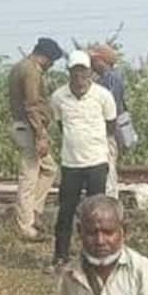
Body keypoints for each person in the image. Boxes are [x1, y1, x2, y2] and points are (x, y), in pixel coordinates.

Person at [49, 50, 119, 268]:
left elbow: (111, 124)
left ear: (90, 72)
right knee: (66, 212)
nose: (79, 77)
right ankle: (61, 256)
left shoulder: (103, 96)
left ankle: (95, 258)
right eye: (75, 72)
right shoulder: (59, 97)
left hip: (97, 161)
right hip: (71, 163)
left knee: (97, 214)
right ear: (69, 72)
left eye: (83, 71)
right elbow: (61, 125)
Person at [7, 38, 65, 240]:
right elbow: (31, 106)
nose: (52, 66)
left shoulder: (20, 67)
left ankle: (33, 212)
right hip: (29, 129)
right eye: (52, 61)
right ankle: (26, 227)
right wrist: (40, 135)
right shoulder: (31, 71)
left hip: (26, 127)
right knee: (29, 177)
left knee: (49, 169)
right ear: (45, 57)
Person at [87, 44, 131, 198]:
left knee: (108, 167)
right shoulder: (107, 78)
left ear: (101, 61)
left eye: (93, 61)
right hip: (105, 131)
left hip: (108, 131)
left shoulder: (111, 79)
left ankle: (109, 200)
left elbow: (109, 107)